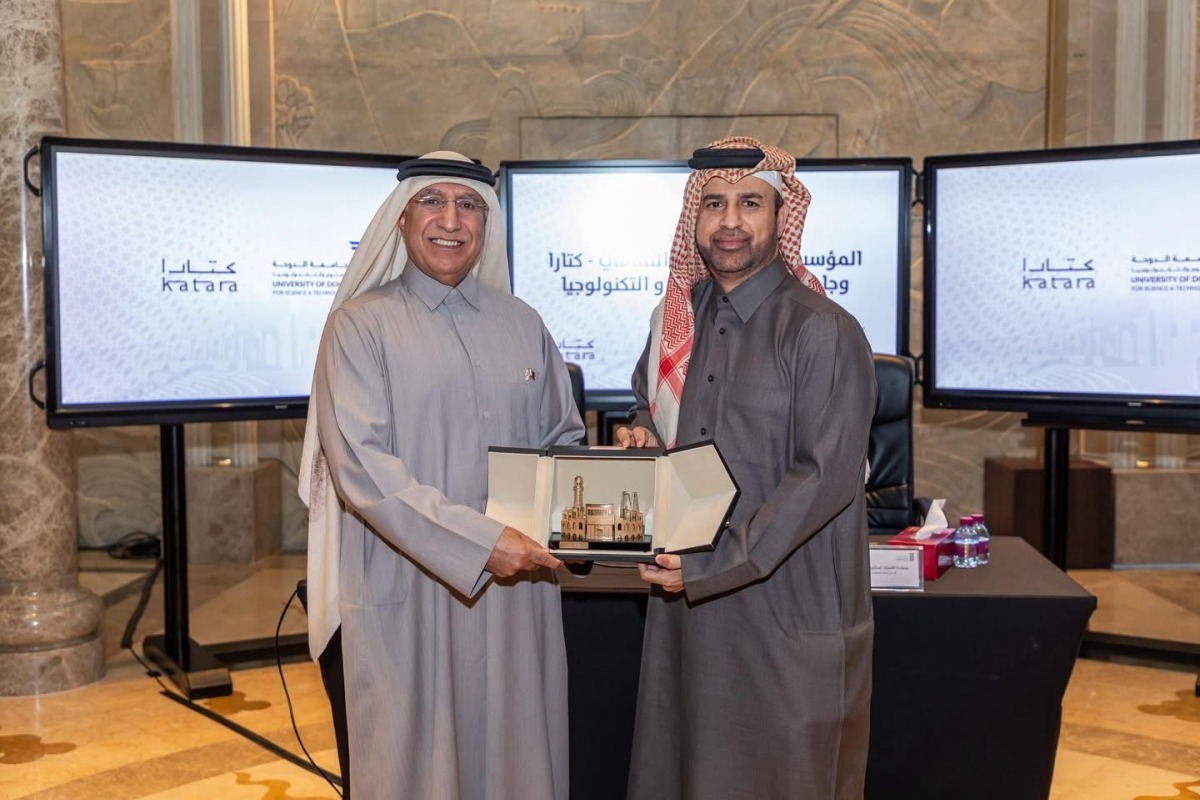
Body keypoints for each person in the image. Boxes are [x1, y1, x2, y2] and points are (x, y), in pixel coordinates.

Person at [298, 151, 584, 799]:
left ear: (486, 224)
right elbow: (365, 472)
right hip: (409, 590)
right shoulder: (358, 328)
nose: (451, 220)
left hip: (517, 600)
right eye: (434, 202)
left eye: (469, 206)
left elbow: (562, 443)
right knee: (415, 763)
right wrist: (483, 542)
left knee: (517, 757)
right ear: (401, 219)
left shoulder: (524, 324)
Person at [617, 136, 878, 799]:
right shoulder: (676, 320)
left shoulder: (822, 329)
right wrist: (642, 441)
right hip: (687, 618)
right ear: (692, 218)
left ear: (779, 215)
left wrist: (708, 563)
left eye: (749, 203)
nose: (730, 221)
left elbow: (823, 478)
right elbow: (652, 412)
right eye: (713, 203)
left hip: (784, 614)